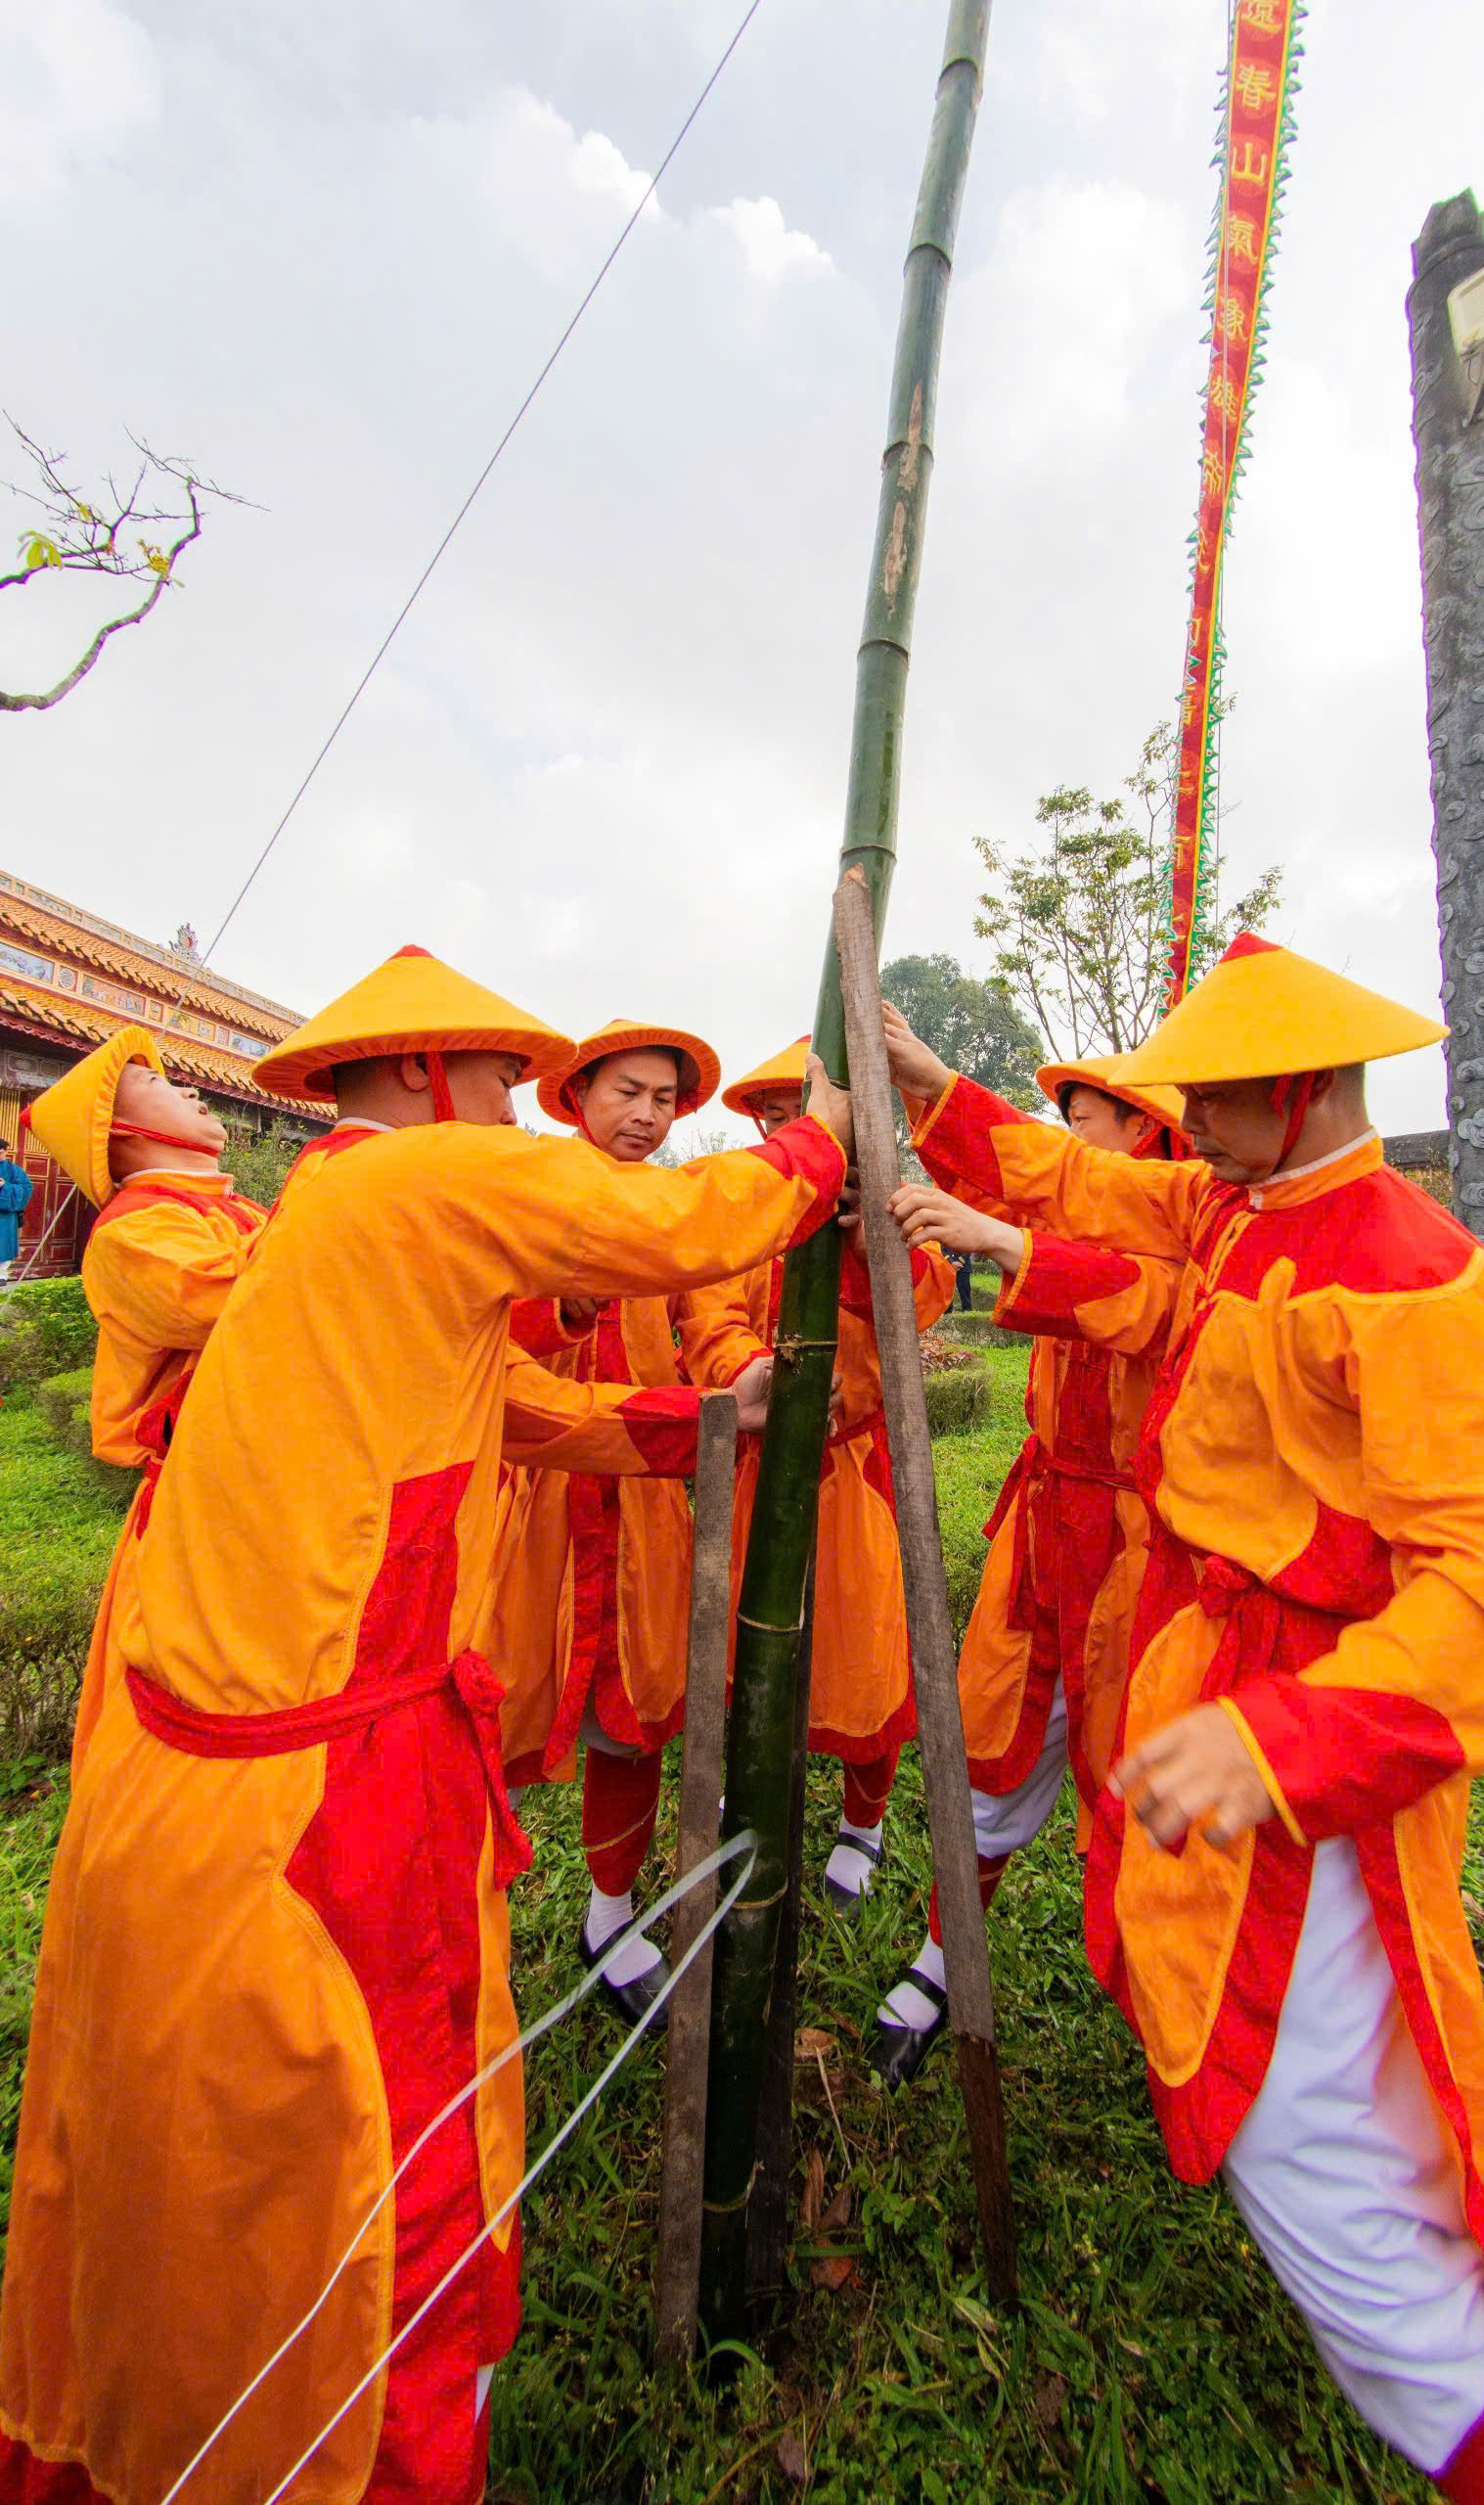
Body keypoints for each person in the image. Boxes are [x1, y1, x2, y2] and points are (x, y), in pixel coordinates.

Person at [0, 946, 849, 2505]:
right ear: (419, 1077)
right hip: (332, 1750)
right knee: (371, 2157)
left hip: (293, 1708)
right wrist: (817, 1140)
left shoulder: (328, 1212)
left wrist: (676, 1423)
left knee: (304, 2132)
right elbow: (691, 1220)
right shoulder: (395, 1189)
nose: (528, 1109)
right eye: (505, 1080)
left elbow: (503, 1399)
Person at [881, 933, 1484, 2502]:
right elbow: (1088, 1199)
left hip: (1305, 1728)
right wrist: (936, 1092)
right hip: (1194, 1658)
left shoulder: (1414, 1281)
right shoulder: (1232, 1198)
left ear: (1301, 1085)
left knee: (1318, 2136)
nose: (1176, 1118)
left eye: (1208, 1092)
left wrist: (1285, 1739)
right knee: (1258, 2057)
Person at [869, 1050, 1186, 2080]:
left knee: (1140, 1778)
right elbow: (1008, 1173)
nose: (1061, 1144)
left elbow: (1130, 1297)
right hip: (1043, 1528)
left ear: (1143, 1137)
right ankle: (943, 1953)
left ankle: (1170, 2003)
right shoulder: (1075, 1209)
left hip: (1145, 1557)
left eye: (1082, 1120)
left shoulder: (1195, 1233)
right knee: (995, 1736)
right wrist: (923, 1078)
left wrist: (1002, 1239)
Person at [484, 1020, 775, 2027]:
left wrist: (745, 1374)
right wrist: (565, 1301)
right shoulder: (521, 1184)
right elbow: (486, 1322)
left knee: (635, 1714)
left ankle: (610, 1915)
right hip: (532, 1500)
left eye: (664, 1099)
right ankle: (466, 1931)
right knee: (495, 1710)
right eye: (629, 1093)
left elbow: (711, 1320)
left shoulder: (678, 1209)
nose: (647, 1115)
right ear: (577, 1094)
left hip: (649, 1492)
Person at [688, 1037, 953, 1909]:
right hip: (754, 1473)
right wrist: (745, 1373)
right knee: (739, 1645)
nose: (785, 1124)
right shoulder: (734, 1229)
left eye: (797, 1107)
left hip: (853, 1478)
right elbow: (707, 1318)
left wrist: (864, 1237)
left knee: (866, 1654)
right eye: (772, 1111)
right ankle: (750, 1789)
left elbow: (920, 1299)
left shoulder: (883, 1214)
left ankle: (862, 1823)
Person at [19, 1028, 267, 1776]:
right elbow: (247, 1302)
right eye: (161, 1086)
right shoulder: (136, 1231)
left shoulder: (239, 1212)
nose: (191, 1089)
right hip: (216, 1504)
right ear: (119, 1134)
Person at [0, 1134, 31, 1280]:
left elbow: (25, 1188)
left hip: (5, 1214)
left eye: (0, 1152)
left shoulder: (14, 1170)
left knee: (4, 1242)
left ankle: (2, 1275)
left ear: (6, 1151)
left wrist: (5, 1186)